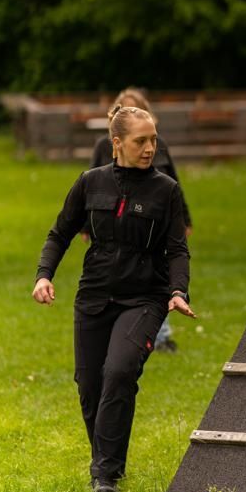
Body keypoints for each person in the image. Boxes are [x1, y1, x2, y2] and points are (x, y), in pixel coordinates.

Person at [33, 103, 196, 492]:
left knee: (119, 371)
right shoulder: (91, 183)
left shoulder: (166, 190)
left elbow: (177, 249)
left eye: (154, 140)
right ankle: (110, 461)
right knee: (89, 385)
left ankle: (103, 473)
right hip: (94, 295)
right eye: (141, 141)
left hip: (145, 299)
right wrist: (44, 274)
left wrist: (177, 291)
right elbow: (60, 232)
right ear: (117, 142)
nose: (150, 148)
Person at [88, 87, 192, 353]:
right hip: (116, 226)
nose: (148, 149)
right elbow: (94, 188)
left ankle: (161, 336)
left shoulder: (159, 151)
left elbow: (173, 184)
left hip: (154, 221)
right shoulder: (104, 149)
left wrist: (185, 219)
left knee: (158, 272)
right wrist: (86, 225)